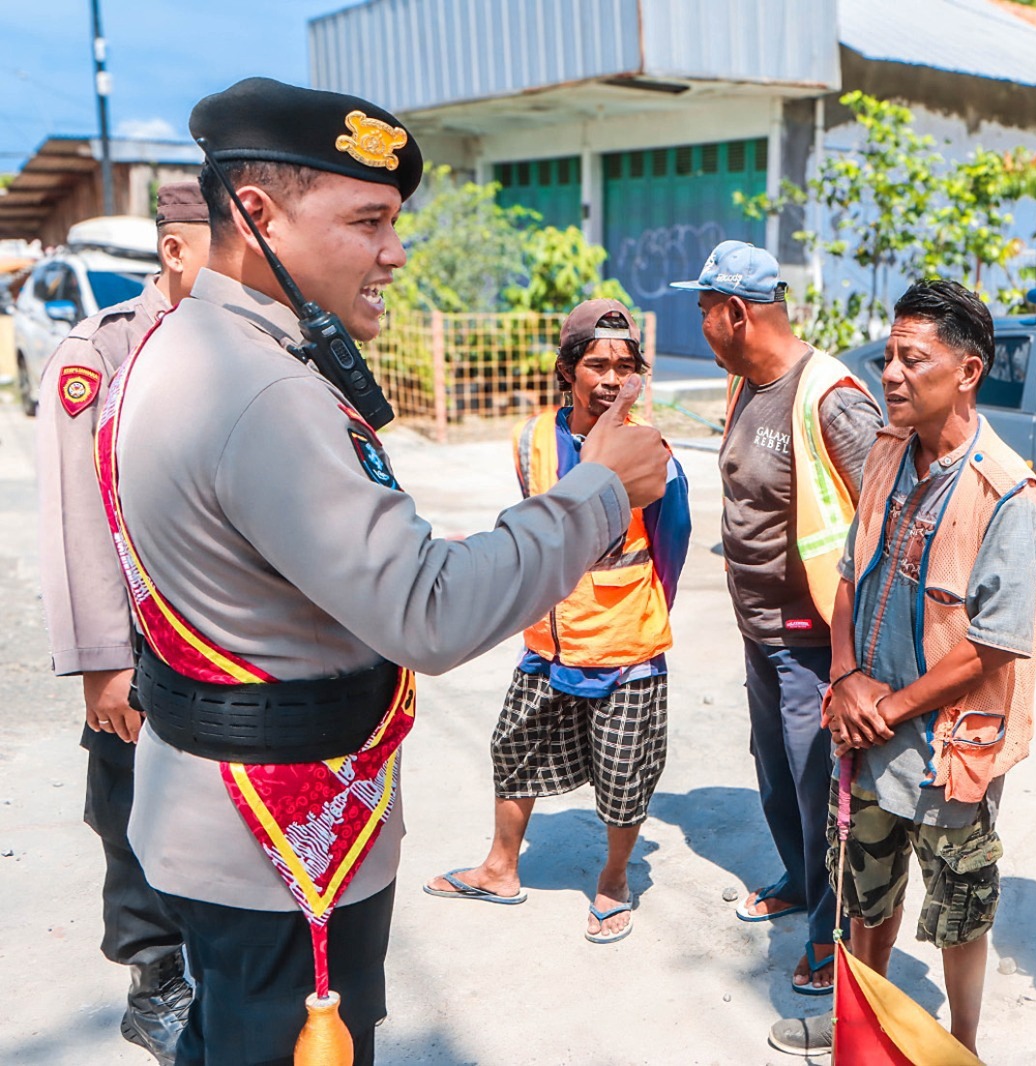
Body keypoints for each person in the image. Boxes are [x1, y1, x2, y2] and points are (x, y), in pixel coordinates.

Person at [97, 78, 666, 1065]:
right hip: (279, 843)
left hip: (237, 814)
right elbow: (429, 609)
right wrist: (602, 491)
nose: (395, 253)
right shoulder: (263, 391)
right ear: (259, 215)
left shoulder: (196, 343)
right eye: (367, 221)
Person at [771, 280, 1036, 1058]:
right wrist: (847, 676)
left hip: (950, 748)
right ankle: (863, 1028)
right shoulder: (888, 454)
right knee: (865, 895)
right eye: (890, 355)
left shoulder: (1009, 491)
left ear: (967, 372)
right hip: (869, 730)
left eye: (911, 358)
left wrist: (885, 709)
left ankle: (962, 1045)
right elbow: (852, 576)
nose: (890, 373)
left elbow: (990, 645)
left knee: (961, 911)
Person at [423, 299, 690, 944]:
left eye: (624, 368)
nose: (609, 378)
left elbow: (671, 542)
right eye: (595, 364)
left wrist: (642, 611)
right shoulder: (532, 440)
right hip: (547, 638)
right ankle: (500, 867)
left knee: (626, 771)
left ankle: (614, 881)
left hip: (626, 640)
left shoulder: (652, 448)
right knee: (512, 749)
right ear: (566, 370)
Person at [672, 241, 881, 994]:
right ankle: (800, 881)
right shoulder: (746, 384)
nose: (698, 324)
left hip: (815, 637)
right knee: (776, 776)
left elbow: (886, 522)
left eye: (703, 311)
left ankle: (834, 931)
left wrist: (860, 660)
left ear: (737, 314)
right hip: (760, 631)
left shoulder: (829, 397)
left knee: (821, 788)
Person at [35, 179, 210, 1064]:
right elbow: (76, 516)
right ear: (178, 248)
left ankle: (210, 965)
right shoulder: (100, 350)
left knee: (212, 809)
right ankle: (154, 982)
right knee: (130, 803)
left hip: (220, 636)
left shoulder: (238, 342)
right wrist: (104, 661)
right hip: (139, 638)